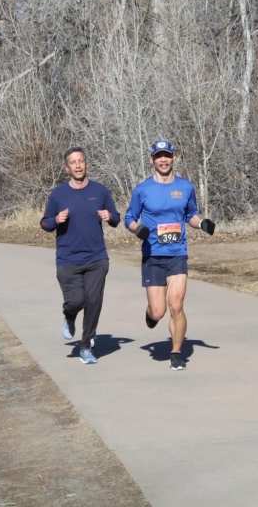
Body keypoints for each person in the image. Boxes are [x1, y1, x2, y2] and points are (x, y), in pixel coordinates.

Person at [124, 139, 215, 371]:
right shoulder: (142, 189)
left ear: (173, 157)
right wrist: (138, 229)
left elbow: (191, 214)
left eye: (167, 155)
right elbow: (129, 218)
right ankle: (151, 315)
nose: (163, 160)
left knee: (176, 305)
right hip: (153, 255)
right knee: (159, 311)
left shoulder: (185, 187)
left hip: (177, 254)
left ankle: (176, 352)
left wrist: (202, 223)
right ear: (152, 160)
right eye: (158, 156)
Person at [40, 147, 120, 364]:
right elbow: (45, 223)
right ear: (67, 168)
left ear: (86, 164)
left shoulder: (100, 191)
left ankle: (86, 345)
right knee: (76, 301)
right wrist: (55, 220)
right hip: (68, 260)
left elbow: (116, 218)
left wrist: (108, 216)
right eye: (73, 162)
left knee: (94, 301)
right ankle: (69, 315)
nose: (78, 165)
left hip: (96, 258)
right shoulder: (58, 194)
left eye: (81, 161)